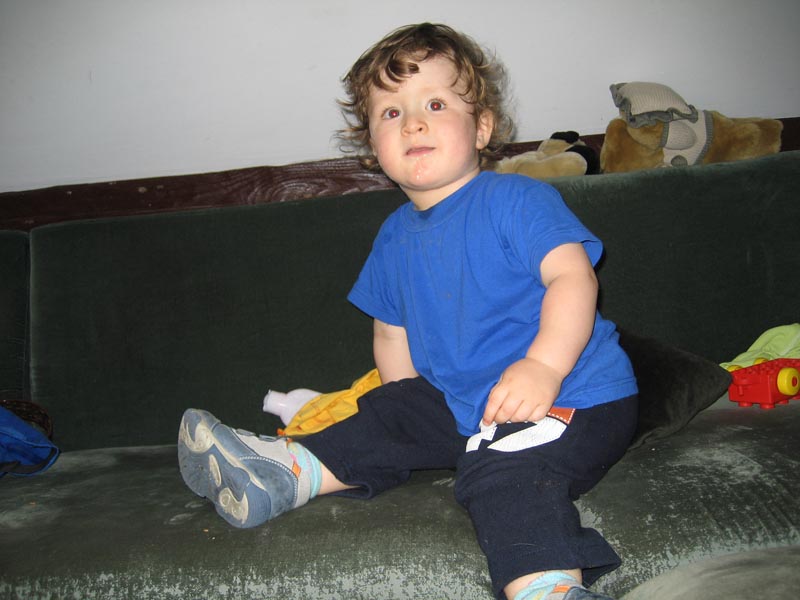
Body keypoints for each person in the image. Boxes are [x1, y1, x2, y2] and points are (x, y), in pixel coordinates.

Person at [178, 22, 638, 600]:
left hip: (575, 394)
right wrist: (404, 412)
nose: (413, 122)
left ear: (482, 127)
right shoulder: (393, 238)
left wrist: (543, 366)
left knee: (501, 471)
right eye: (391, 112)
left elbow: (572, 277)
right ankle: (284, 473)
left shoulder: (517, 199)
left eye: (435, 104)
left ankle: (547, 586)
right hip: (466, 404)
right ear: (373, 144)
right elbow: (391, 335)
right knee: (384, 412)